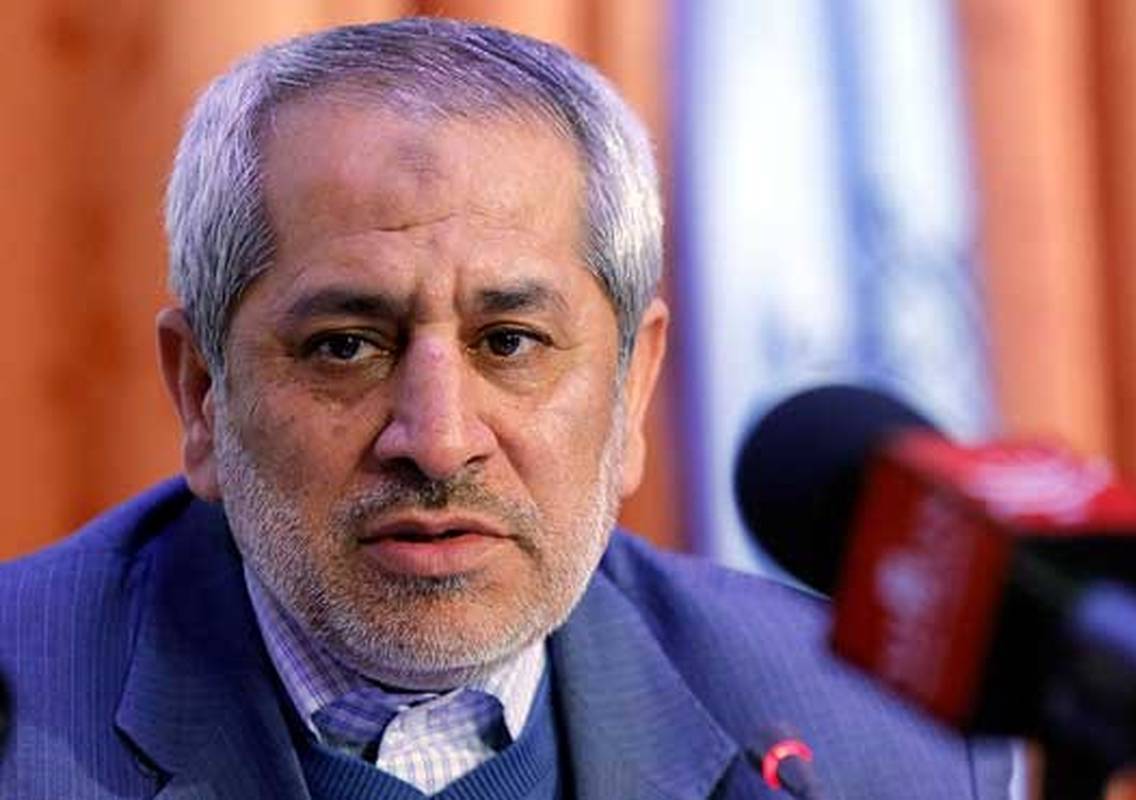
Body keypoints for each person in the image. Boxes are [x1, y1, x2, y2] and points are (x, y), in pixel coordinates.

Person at [0, 17, 1011, 800]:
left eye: (511, 342)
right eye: (347, 345)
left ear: (633, 386)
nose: (439, 441)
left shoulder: (878, 738)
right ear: (202, 393)